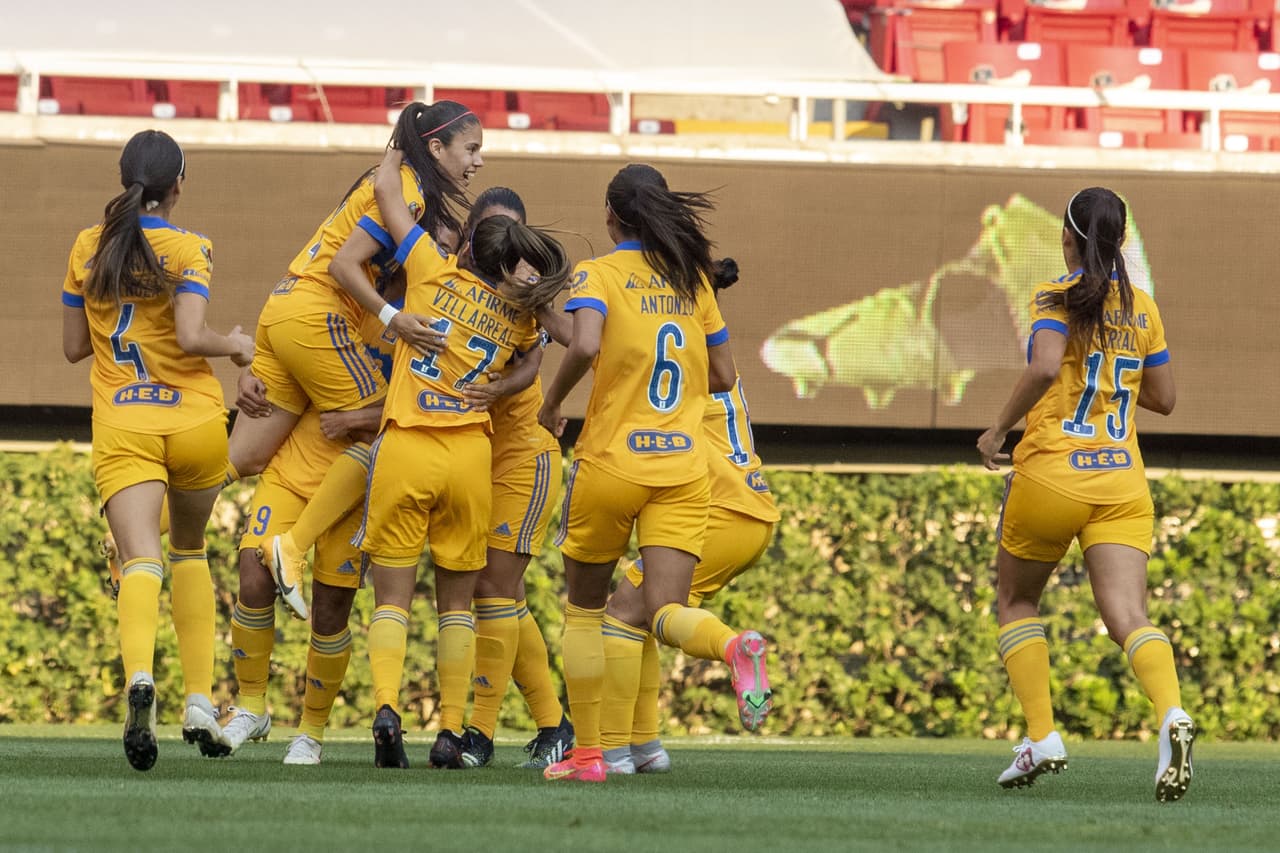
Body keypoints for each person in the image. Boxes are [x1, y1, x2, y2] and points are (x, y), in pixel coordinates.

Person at [536, 164, 770, 783]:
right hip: (683, 470)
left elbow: (585, 346)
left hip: (612, 462)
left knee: (587, 611)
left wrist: (554, 402)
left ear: (611, 217)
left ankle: (590, 757)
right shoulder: (693, 280)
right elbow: (723, 376)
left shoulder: (600, 273)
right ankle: (730, 647)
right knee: (661, 611)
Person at [355, 148, 571, 769]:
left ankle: (399, 708)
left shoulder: (429, 273)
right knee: (474, 598)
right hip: (473, 457)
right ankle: (459, 730)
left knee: (419, 596)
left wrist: (401, 149)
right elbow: (542, 350)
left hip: (449, 448)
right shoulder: (521, 309)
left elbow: (390, 200)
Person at [976, 187, 1192, 802]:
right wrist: (1109, 379)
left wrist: (998, 430)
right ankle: (1172, 714)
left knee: (1017, 601)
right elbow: (1165, 398)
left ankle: (1042, 736)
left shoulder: (1056, 296)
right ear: (1120, 240)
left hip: (1052, 472)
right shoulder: (1143, 307)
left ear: (1067, 237)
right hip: (1121, 479)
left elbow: (1046, 366)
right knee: (1129, 618)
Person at [235, 101, 481, 620]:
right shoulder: (410, 196)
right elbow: (346, 264)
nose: (478, 162)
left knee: (239, 458)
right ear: (437, 148)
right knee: (390, 430)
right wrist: (393, 317)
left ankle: (134, 542)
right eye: (472, 149)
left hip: (287, 307)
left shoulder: (397, 177)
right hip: (317, 313)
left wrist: (253, 375)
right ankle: (292, 548)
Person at [60, 130, 254, 771]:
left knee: (141, 559)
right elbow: (193, 335)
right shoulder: (190, 247)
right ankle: (198, 702)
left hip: (125, 423)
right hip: (195, 422)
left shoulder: (88, 246)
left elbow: (72, 347)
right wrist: (236, 344)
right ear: (178, 185)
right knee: (190, 550)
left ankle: (140, 677)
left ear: (124, 180)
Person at [595, 258, 780, 775]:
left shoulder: (683, 370)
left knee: (619, 613)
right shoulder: (717, 365)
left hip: (717, 511)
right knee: (643, 613)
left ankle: (731, 648)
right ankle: (645, 748)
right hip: (752, 512)